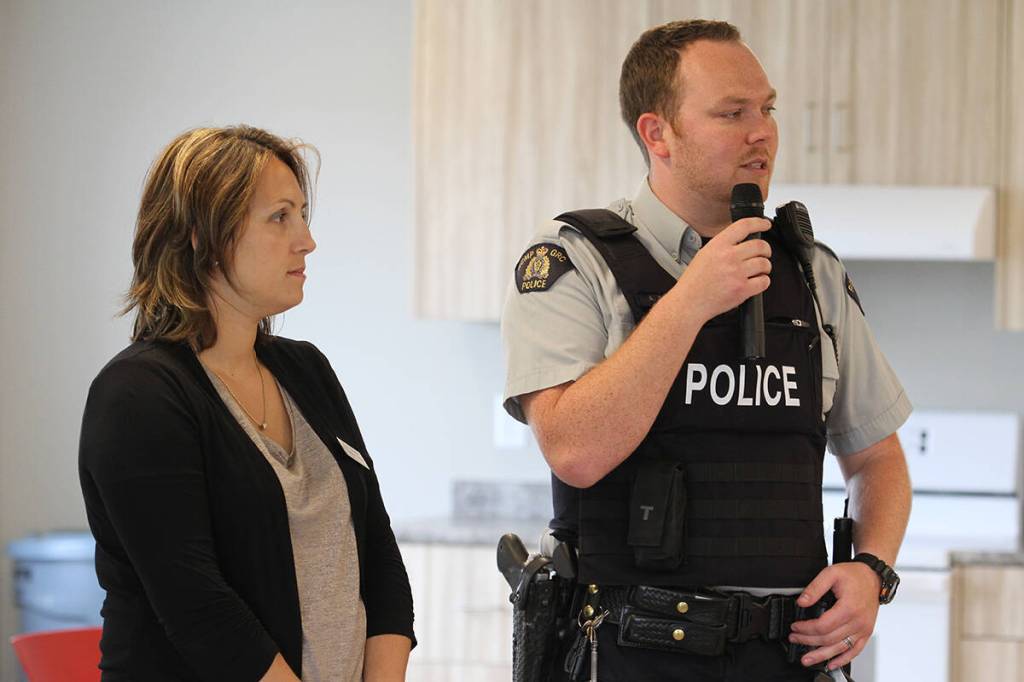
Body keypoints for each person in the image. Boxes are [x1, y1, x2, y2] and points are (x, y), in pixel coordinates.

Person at [501, 20, 912, 682]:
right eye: (732, 113)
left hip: (787, 657)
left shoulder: (812, 274)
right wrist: (691, 300)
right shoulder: (576, 262)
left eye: (767, 109)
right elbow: (574, 451)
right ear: (657, 133)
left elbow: (878, 458)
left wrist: (872, 569)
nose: (762, 133)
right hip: (629, 654)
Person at [78, 125, 415, 682]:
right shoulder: (137, 395)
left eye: (302, 214)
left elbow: (377, 556)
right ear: (200, 237)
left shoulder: (307, 370)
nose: (307, 240)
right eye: (280, 217)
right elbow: (200, 610)